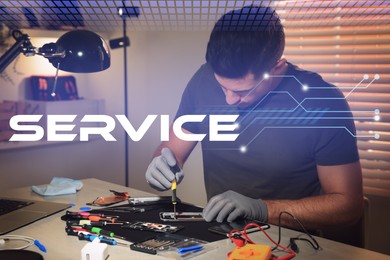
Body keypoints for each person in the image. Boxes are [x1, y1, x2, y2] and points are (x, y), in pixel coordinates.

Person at [145, 6, 363, 231]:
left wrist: (262, 209)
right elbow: (173, 148)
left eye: (241, 92)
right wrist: (161, 162)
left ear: (277, 68)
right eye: (222, 87)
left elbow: (348, 206)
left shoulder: (322, 102)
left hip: (289, 241)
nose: (229, 100)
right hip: (220, 235)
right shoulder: (203, 79)